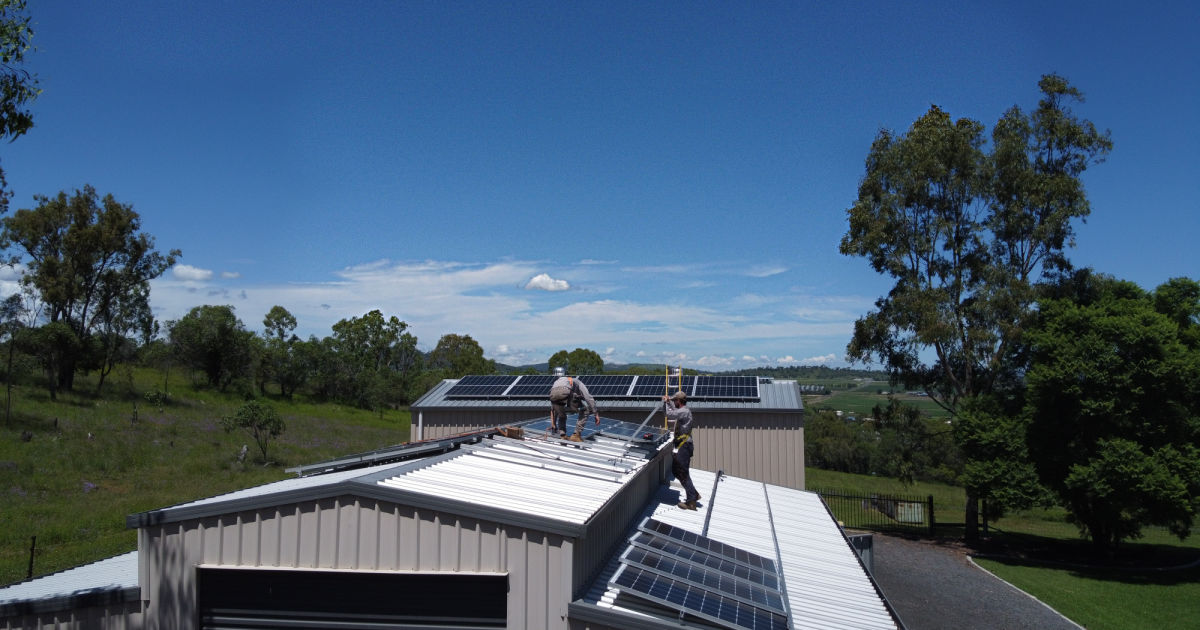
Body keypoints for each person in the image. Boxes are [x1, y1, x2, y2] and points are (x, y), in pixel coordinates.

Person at [663, 390, 700, 510]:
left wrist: (665, 404)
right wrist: (669, 402)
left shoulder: (684, 411)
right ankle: (693, 493)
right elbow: (675, 410)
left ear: (679, 401)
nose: (674, 402)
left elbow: (670, 414)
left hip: (684, 446)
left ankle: (691, 502)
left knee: (682, 473)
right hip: (683, 446)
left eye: (675, 400)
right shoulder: (684, 410)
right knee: (676, 470)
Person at [549, 374, 599, 442]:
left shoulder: (557, 382)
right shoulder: (577, 382)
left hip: (552, 394)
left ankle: (562, 435)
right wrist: (596, 414)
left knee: (561, 414)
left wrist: (553, 424)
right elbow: (588, 397)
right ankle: (576, 435)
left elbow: (553, 409)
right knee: (585, 410)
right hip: (566, 391)